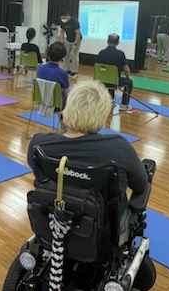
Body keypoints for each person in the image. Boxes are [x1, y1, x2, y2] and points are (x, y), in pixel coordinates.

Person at [27, 80, 148, 220]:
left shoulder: (38, 144)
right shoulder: (119, 148)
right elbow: (140, 186)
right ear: (102, 116)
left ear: (68, 108)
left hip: (50, 218)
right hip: (103, 227)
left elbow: (38, 171)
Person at [96, 33, 134, 111]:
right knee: (129, 82)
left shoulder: (101, 52)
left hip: (101, 80)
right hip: (114, 81)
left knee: (109, 76)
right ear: (118, 43)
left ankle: (111, 99)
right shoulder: (120, 54)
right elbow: (126, 69)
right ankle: (124, 104)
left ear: (107, 41)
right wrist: (128, 77)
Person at [36, 40, 70, 108]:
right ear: (62, 57)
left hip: (41, 100)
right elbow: (67, 93)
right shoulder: (62, 74)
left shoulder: (40, 68)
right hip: (57, 104)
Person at [58, 12, 82, 77]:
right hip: (68, 39)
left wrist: (76, 43)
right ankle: (66, 69)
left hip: (76, 39)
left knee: (74, 55)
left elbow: (78, 33)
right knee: (66, 55)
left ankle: (74, 71)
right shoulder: (63, 22)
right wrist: (62, 40)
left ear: (67, 16)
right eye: (61, 18)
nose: (63, 19)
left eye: (64, 18)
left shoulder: (74, 21)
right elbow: (62, 31)